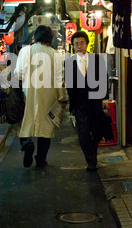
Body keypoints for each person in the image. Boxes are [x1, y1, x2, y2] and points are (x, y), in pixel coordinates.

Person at [14, 25, 68, 169]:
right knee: (46, 126)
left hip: (29, 92)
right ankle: (41, 159)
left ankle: (27, 144)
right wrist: (62, 97)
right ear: (50, 38)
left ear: (35, 36)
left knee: (26, 122)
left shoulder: (26, 51)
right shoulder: (56, 54)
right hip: (49, 95)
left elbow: (18, 73)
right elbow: (59, 79)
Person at [65, 30, 108, 172]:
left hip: (95, 101)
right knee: (83, 133)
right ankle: (91, 161)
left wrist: (105, 98)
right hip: (79, 103)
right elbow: (69, 85)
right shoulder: (70, 62)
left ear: (86, 44)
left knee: (97, 131)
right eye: (76, 44)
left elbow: (103, 78)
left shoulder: (97, 59)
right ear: (73, 46)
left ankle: (93, 151)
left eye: (81, 43)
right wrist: (71, 103)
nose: (79, 46)